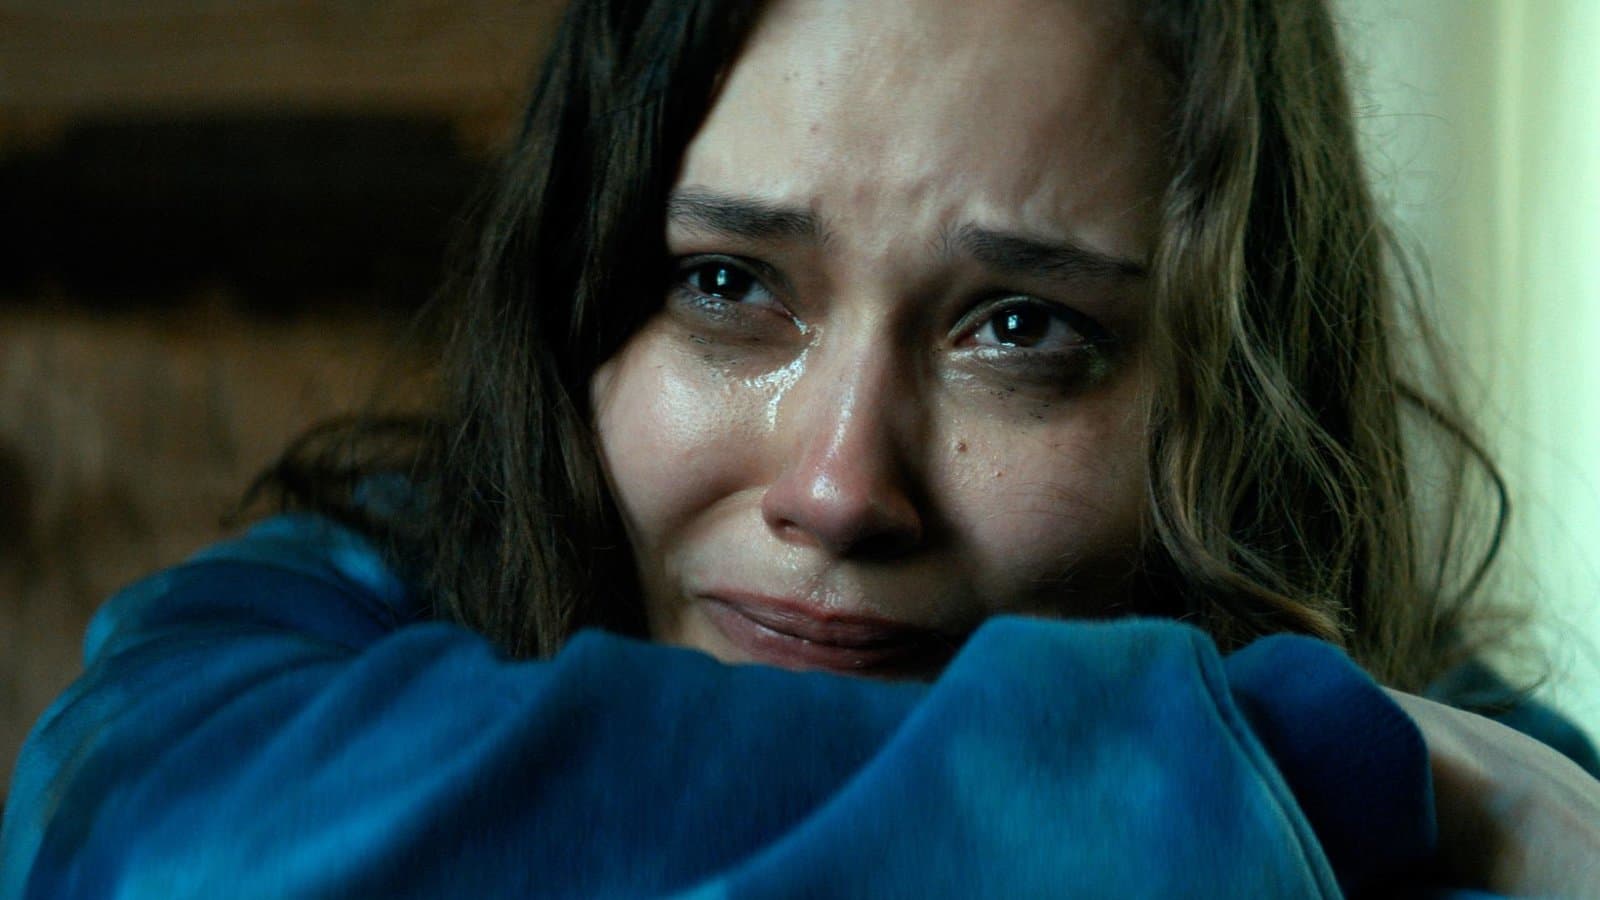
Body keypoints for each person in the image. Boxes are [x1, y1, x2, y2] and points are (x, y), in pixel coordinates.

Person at [4, 0, 1599, 896]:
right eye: (728, 287)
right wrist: (1306, 770)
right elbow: (151, 847)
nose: (838, 489)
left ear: (1236, 396)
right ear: (579, 313)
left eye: (1020, 328)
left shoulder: (1492, 776)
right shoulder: (308, 640)